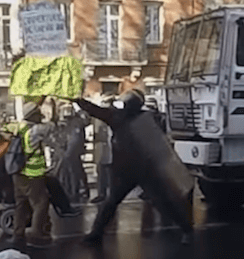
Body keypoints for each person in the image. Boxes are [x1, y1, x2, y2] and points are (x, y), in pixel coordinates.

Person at [73, 90, 195, 244]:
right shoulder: (145, 118)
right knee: (156, 201)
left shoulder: (120, 117)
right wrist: (80, 101)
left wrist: (79, 101)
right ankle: (186, 230)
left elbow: (95, 110)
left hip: (136, 170)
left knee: (116, 203)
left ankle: (96, 234)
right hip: (138, 170)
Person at [4, 101, 53, 247]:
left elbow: (4, 128)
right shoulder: (35, 131)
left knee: (21, 204)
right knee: (41, 203)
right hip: (32, 174)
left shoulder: (17, 127)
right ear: (34, 116)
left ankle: (18, 234)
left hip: (17, 173)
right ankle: (36, 235)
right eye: (39, 114)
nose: (41, 116)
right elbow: (51, 127)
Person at [90, 99, 114, 204]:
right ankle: (102, 194)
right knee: (101, 171)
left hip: (111, 147)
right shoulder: (97, 118)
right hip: (101, 146)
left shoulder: (115, 117)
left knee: (111, 172)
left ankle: (110, 194)